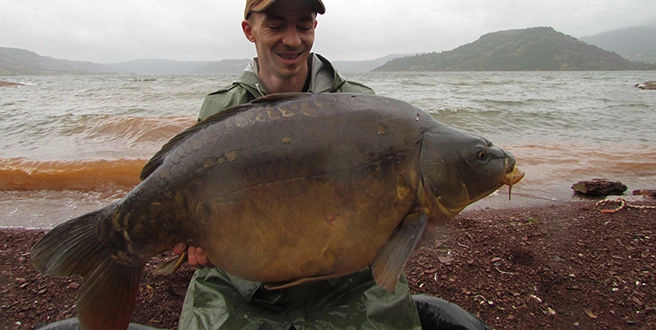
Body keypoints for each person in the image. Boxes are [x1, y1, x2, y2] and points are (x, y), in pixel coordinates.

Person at [173, 0, 492, 329]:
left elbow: (396, 228)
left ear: (315, 28)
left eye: (303, 25)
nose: (293, 40)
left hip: (348, 287)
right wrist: (198, 242)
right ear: (249, 31)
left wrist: (414, 223)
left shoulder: (364, 108)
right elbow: (204, 206)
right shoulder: (220, 109)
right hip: (245, 286)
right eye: (276, 25)